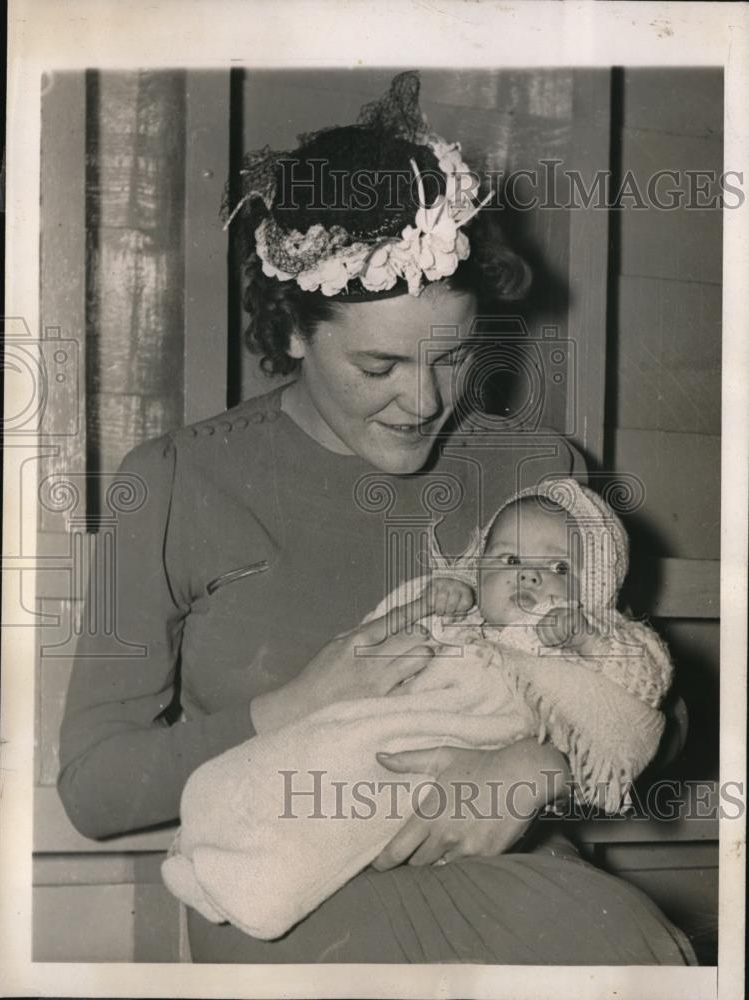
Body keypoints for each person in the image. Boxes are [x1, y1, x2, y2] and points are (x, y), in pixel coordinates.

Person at [57, 71, 696, 964]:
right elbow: (93, 787)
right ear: (289, 331)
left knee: (635, 950)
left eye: (455, 358)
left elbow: (650, 706)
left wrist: (536, 774)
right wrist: (291, 705)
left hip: (519, 884)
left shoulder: (535, 473)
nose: (424, 401)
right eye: (379, 368)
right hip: (290, 896)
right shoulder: (173, 480)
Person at [160, 479, 674, 941]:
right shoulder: (462, 620)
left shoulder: (570, 655)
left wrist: (543, 757)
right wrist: (439, 599)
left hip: (444, 783)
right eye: (509, 561)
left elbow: (642, 701)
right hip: (386, 727)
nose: (531, 578)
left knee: (334, 820)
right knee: (288, 765)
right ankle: (208, 832)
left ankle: (257, 890)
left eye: (558, 567)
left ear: (597, 589)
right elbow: (378, 641)